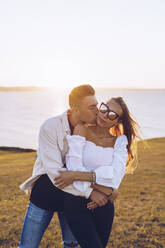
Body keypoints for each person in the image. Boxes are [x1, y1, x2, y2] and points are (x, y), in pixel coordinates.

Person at [19, 84, 118, 248]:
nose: (97, 111)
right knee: (28, 245)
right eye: (92, 107)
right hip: (45, 192)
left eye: (97, 105)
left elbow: (100, 165)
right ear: (75, 108)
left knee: (71, 245)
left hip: (73, 198)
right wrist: (91, 192)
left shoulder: (93, 130)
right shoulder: (50, 126)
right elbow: (56, 174)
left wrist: (109, 187)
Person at [54, 96, 139, 248]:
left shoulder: (120, 142)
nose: (105, 115)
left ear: (117, 121)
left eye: (112, 115)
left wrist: (75, 176)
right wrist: (103, 188)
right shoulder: (81, 129)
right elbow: (74, 166)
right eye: (104, 109)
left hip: (103, 205)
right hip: (77, 200)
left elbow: (114, 177)